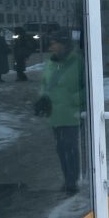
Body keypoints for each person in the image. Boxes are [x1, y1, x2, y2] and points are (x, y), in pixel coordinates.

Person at [34, 32, 85, 195]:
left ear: (63, 44)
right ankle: (67, 179)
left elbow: (89, 87)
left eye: (54, 43)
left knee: (70, 147)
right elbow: (44, 83)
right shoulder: (50, 63)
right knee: (61, 149)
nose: (51, 46)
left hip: (71, 114)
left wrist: (74, 100)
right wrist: (42, 98)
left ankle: (73, 181)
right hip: (55, 114)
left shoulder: (77, 62)